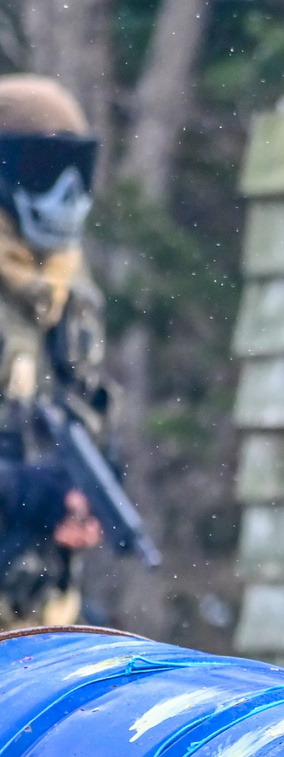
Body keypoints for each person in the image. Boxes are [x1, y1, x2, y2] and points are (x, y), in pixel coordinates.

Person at [0, 74, 105, 632]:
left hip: (42, 621)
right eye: (43, 169)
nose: (65, 193)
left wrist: (77, 498)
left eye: (77, 169)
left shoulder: (72, 293)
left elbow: (89, 413)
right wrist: (22, 491)